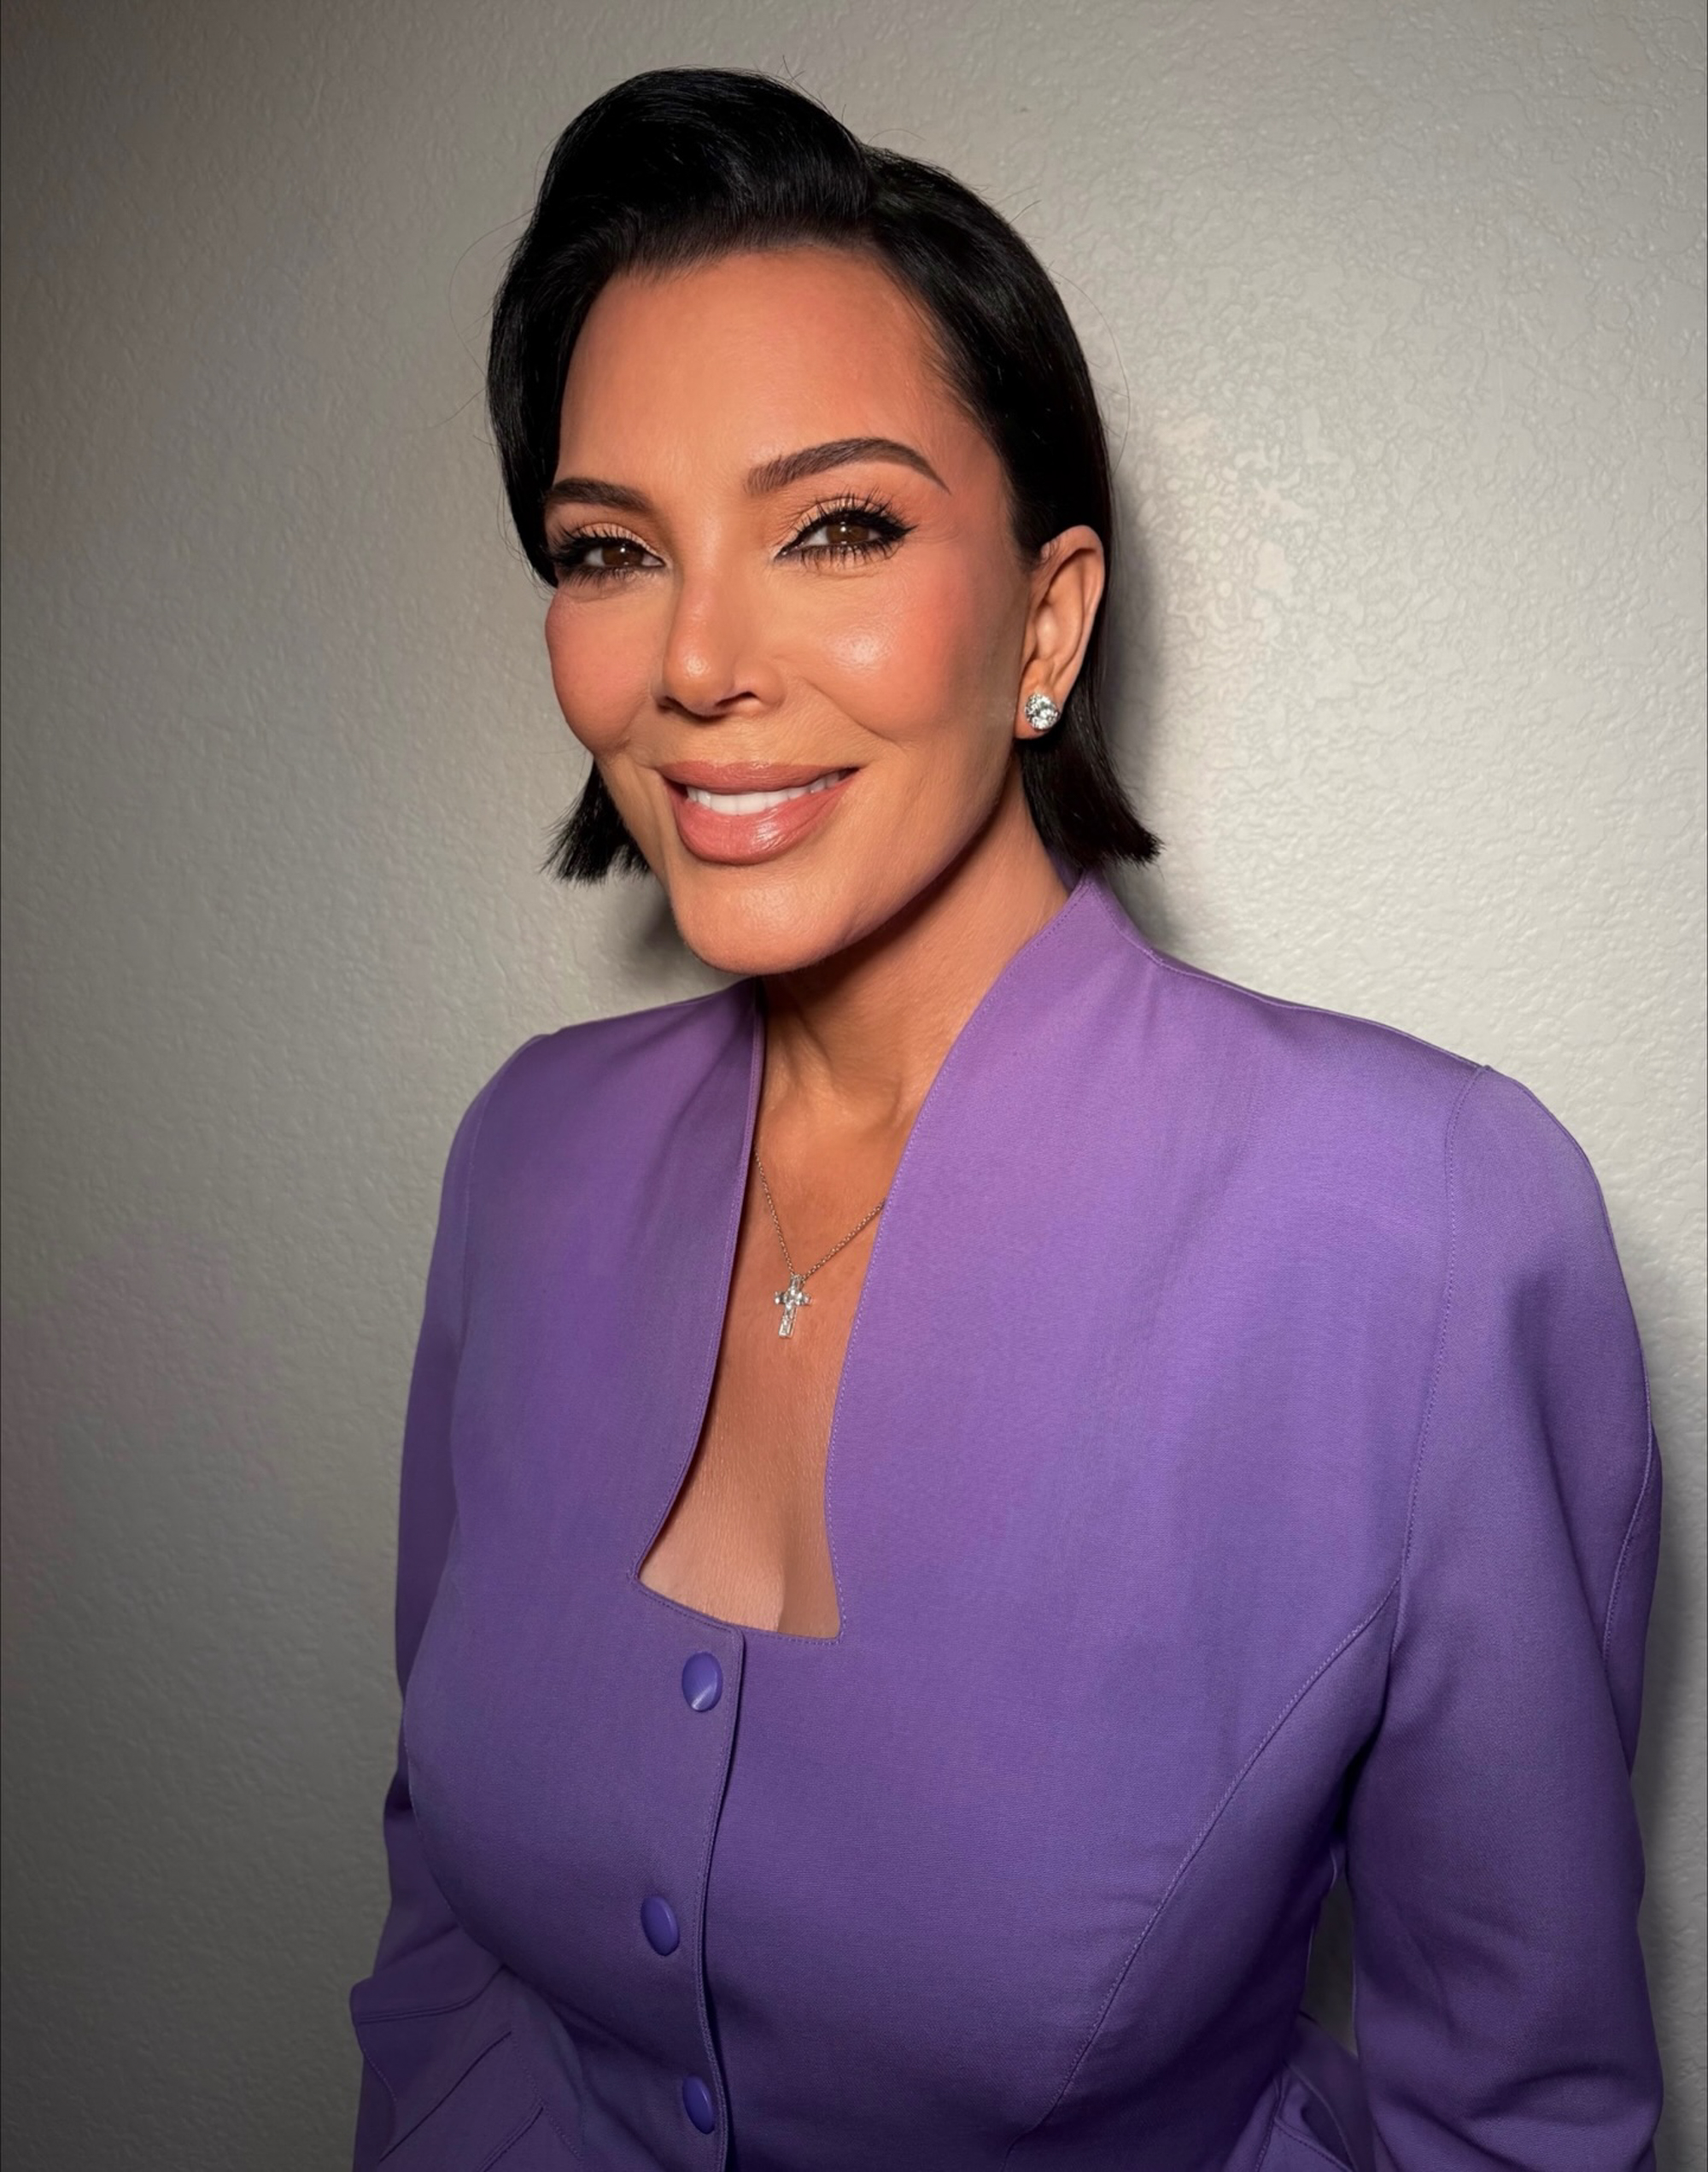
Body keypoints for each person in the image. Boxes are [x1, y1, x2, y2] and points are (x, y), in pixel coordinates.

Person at [348, 66, 1663, 2172]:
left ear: (1045, 621)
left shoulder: (1414, 1233)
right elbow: (439, 1908)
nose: (694, 659)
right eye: (612, 550)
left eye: (835, 526)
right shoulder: (523, 1159)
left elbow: (1506, 2124)